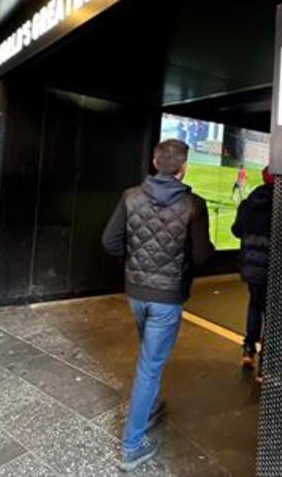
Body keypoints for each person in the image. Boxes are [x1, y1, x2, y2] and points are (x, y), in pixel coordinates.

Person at [102, 139, 214, 472]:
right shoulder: (195, 204)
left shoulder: (129, 196)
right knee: (150, 366)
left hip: (136, 293)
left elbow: (110, 243)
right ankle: (132, 446)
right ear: (184, 167)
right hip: (167, 298)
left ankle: (147, 407)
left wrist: (136, 260)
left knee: (148, 360)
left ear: (154, 162)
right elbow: (202, 254)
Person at [231, 166, 274, 381]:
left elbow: (236, 230)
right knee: (272, 314)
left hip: (251, 267)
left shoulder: (249, 203)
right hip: (273, 268)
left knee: (255, 305)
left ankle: (248, 350)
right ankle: (265, 366)